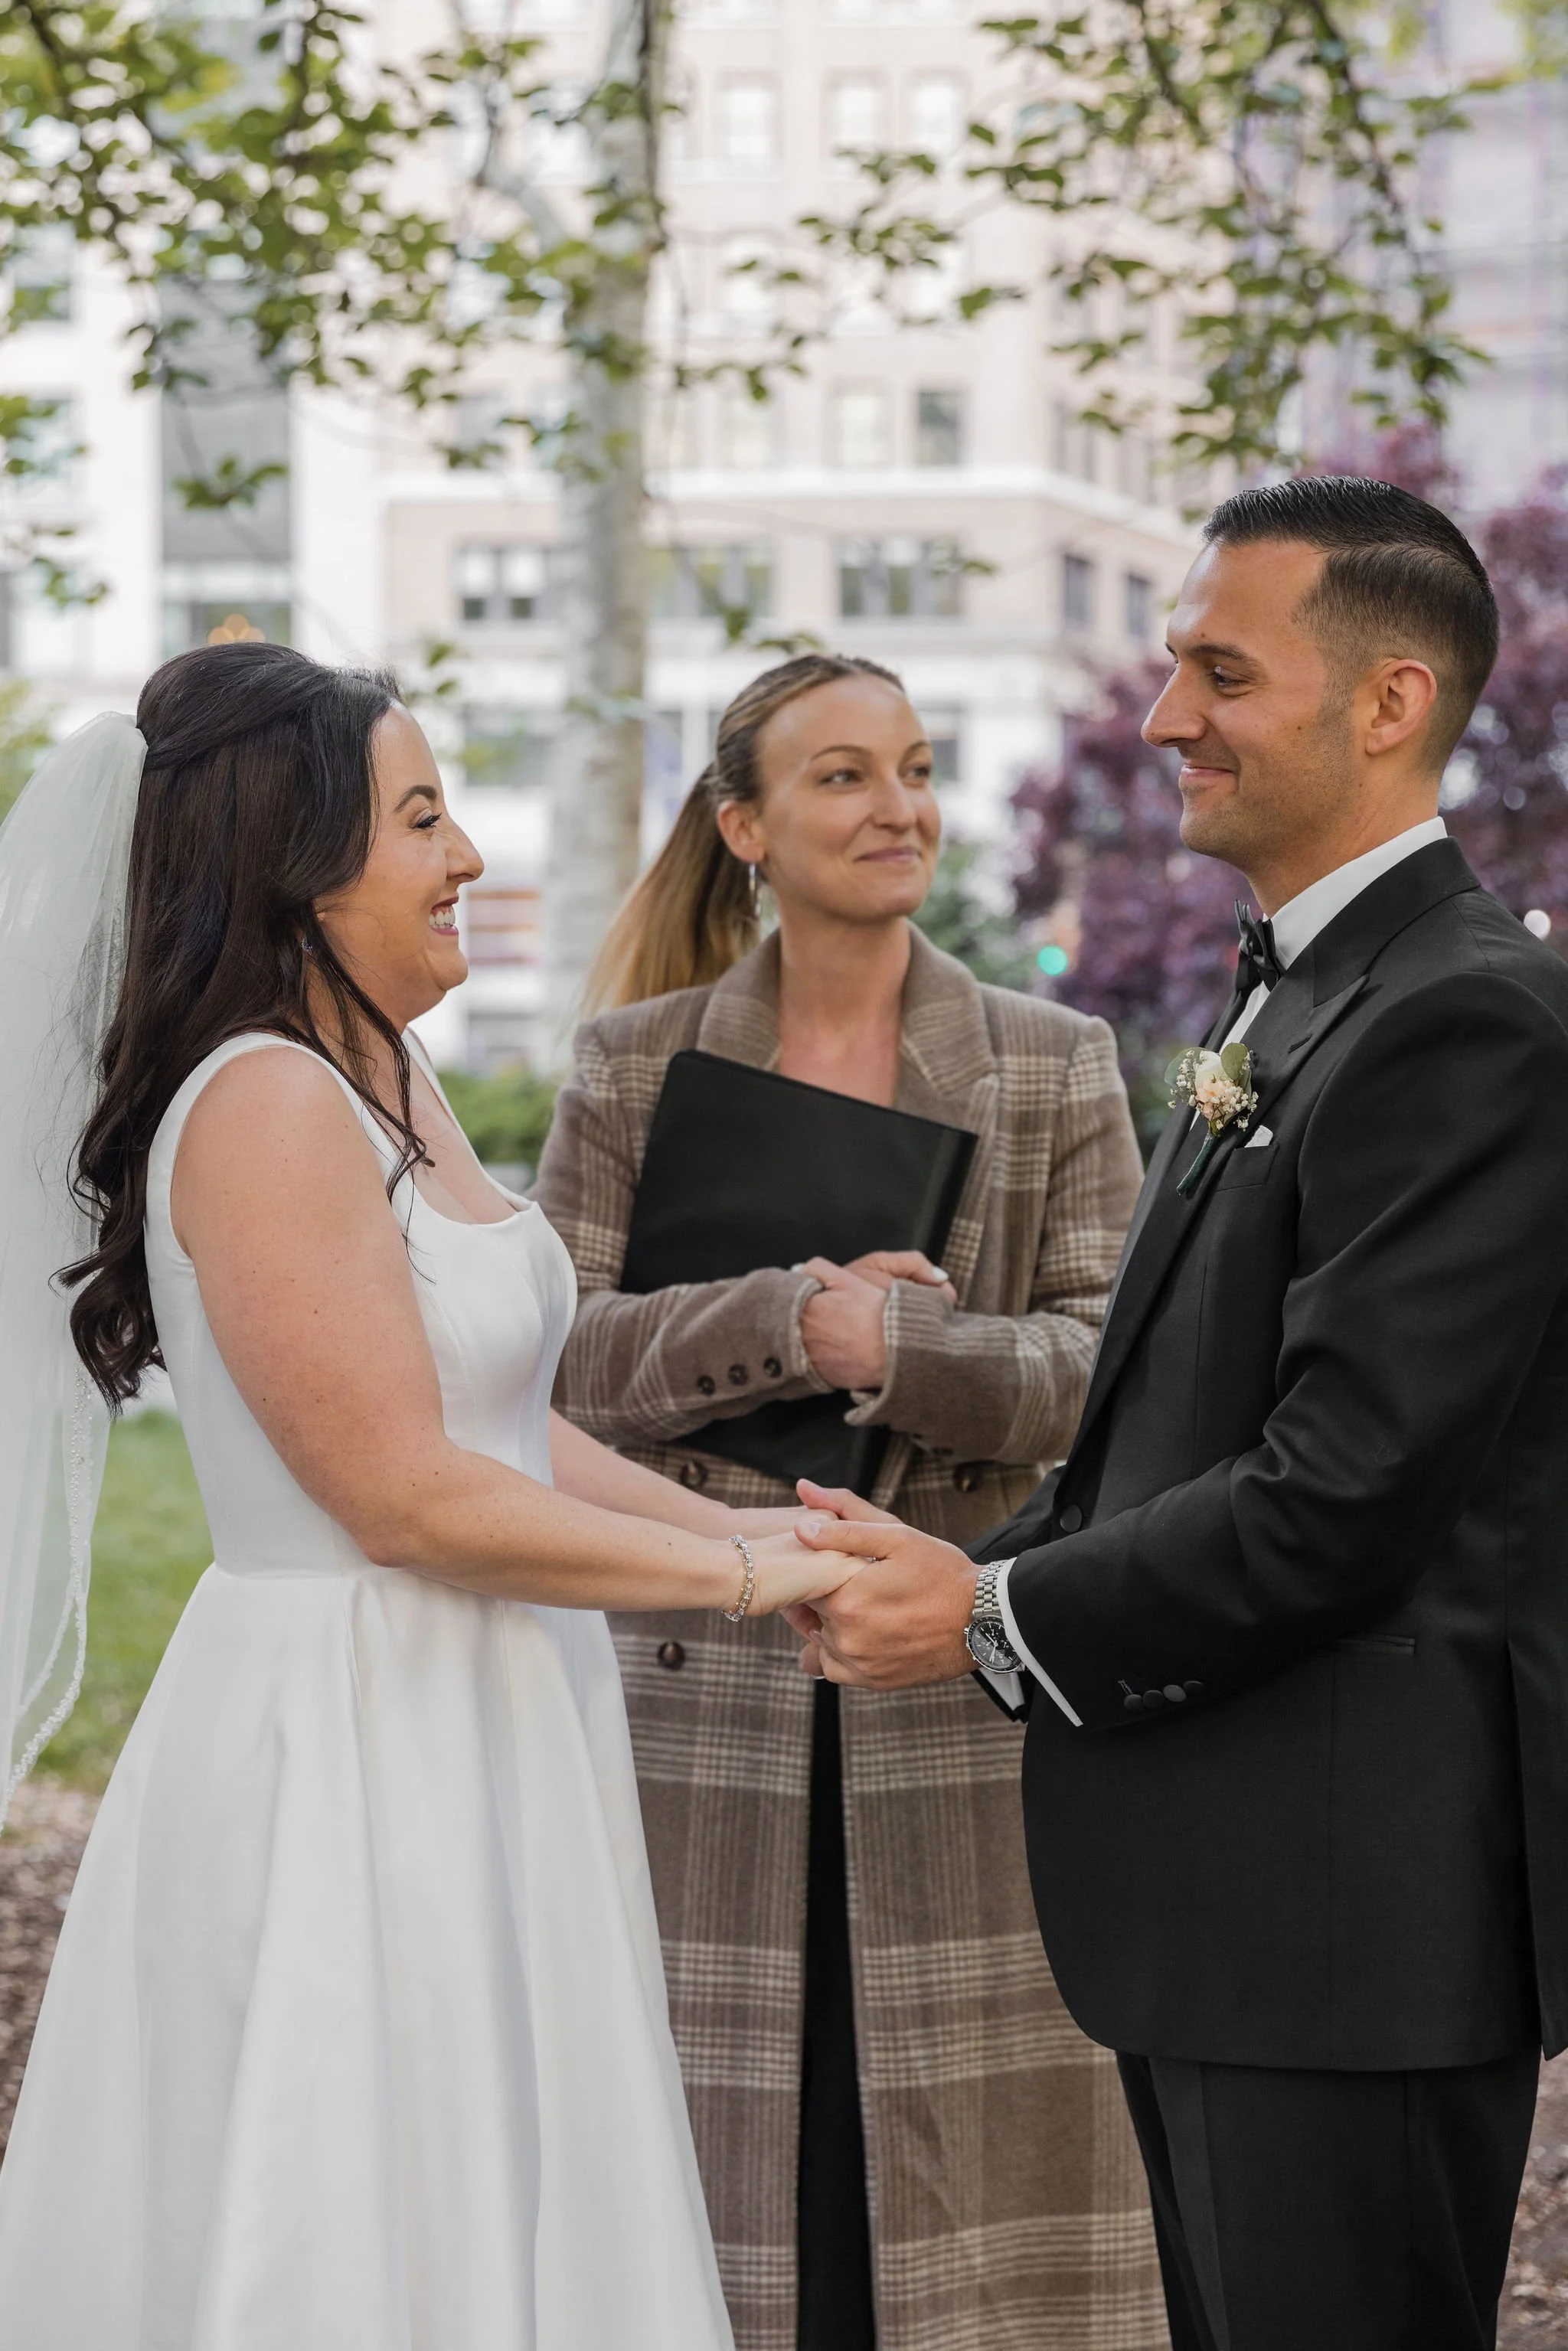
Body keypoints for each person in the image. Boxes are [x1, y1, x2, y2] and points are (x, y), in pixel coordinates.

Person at [0, 642, 859, 2347]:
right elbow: (400, 1497)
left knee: (504, 2168)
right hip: (353, 1730)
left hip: (483, 1696)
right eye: (419, 815)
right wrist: (745, 1588)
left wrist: (768, 1526)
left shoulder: (385, 1076)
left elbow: (500, 1425)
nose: (466, 854)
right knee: (364, 2192)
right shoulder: (261, 1102)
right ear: (292, 865)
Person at [793, 477, 1568, 2351]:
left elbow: (1336, 1496)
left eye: (1222, 671)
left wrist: (984, 1616)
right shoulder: (1305, 1000)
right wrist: (964, 1568)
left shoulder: (1465, 1022)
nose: (1163, 719)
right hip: (1244, 1901)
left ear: (1388, 704)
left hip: (1345, 1915)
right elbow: (1182, 1437)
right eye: (1169, 670)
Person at [532, 652, 1163, 2351]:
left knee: (961, 2223)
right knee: (729, 2193)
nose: (898, 805)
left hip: (949, 1690)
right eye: (840, 775)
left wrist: (900, 1345)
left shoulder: (1049, 1060)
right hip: (690, 1692)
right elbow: (550, 1361)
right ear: (743, 822)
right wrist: (778, 1315)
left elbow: (1111, 1369)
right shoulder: (631, 1063)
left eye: (913, 765)